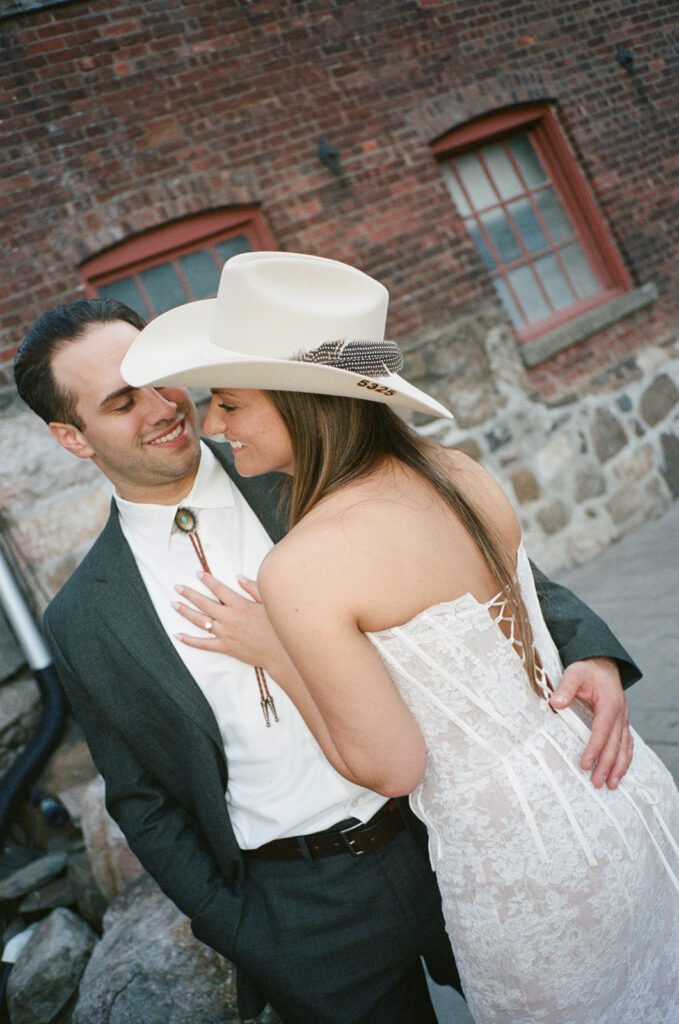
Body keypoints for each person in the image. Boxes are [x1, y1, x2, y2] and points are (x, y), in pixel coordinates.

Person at [13, 295, 636, 1024]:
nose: (162, 407)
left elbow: (467, 552)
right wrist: (239, 926)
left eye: (162, 378)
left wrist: (588, 647)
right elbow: (141, 799)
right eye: (122, 401)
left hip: (452, 832)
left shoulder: (300, 462)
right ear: (72, 437)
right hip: (301, 913)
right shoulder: (84, 617)